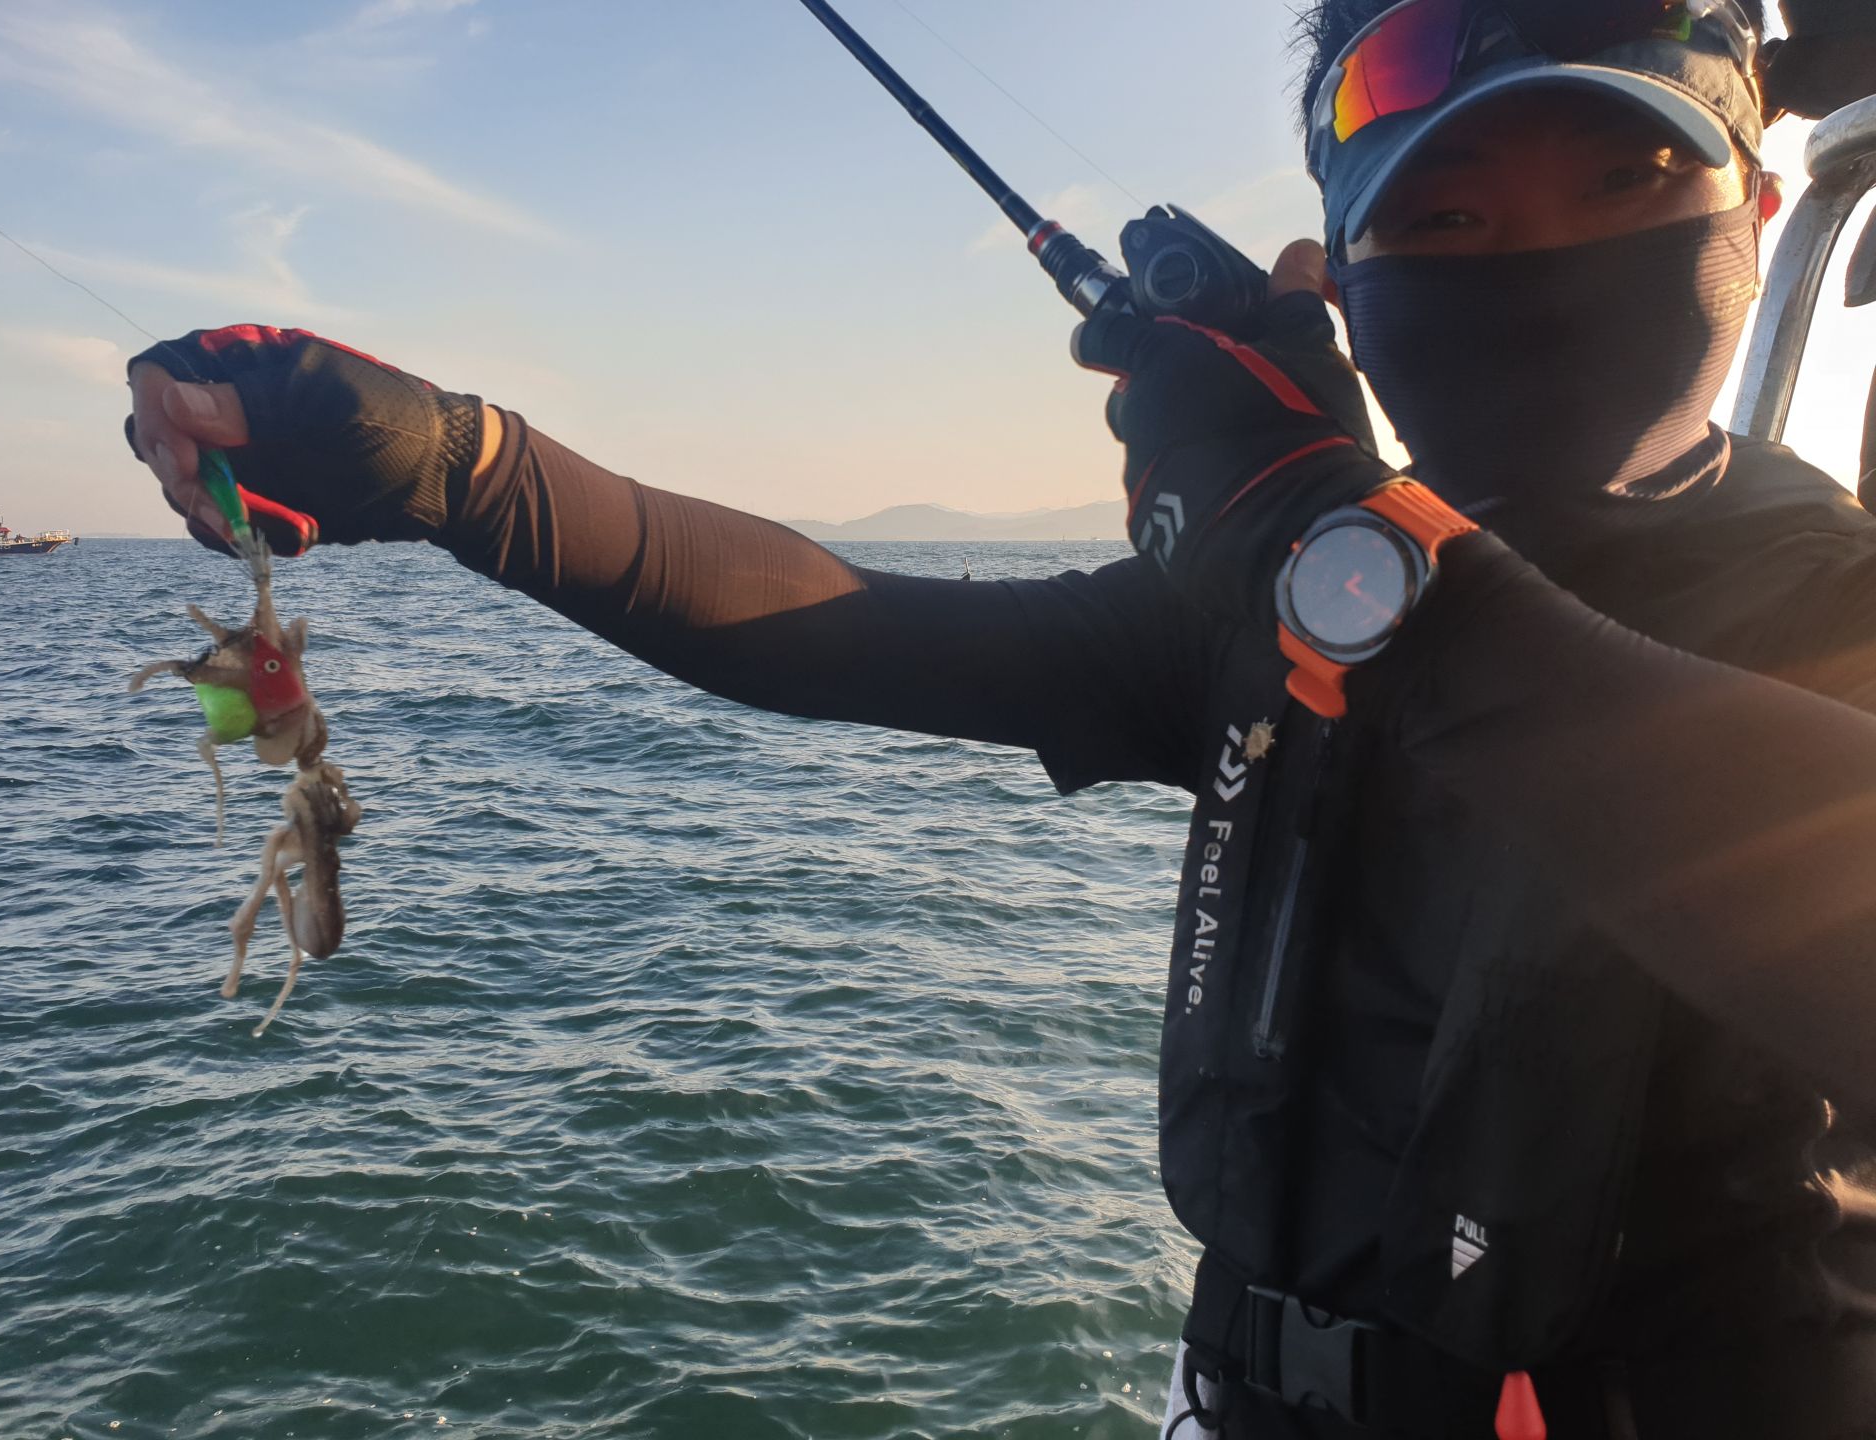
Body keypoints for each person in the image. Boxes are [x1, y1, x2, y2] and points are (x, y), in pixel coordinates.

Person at [124, 1, 1876, 1434]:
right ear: (1335, 278)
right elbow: (839, 631)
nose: (1542, 259)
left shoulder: (1834, 603)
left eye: (1627, 183)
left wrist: (1330, 545)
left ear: (1755, 209)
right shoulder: (1262, 600)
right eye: (1452, 219)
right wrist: (457, 466)